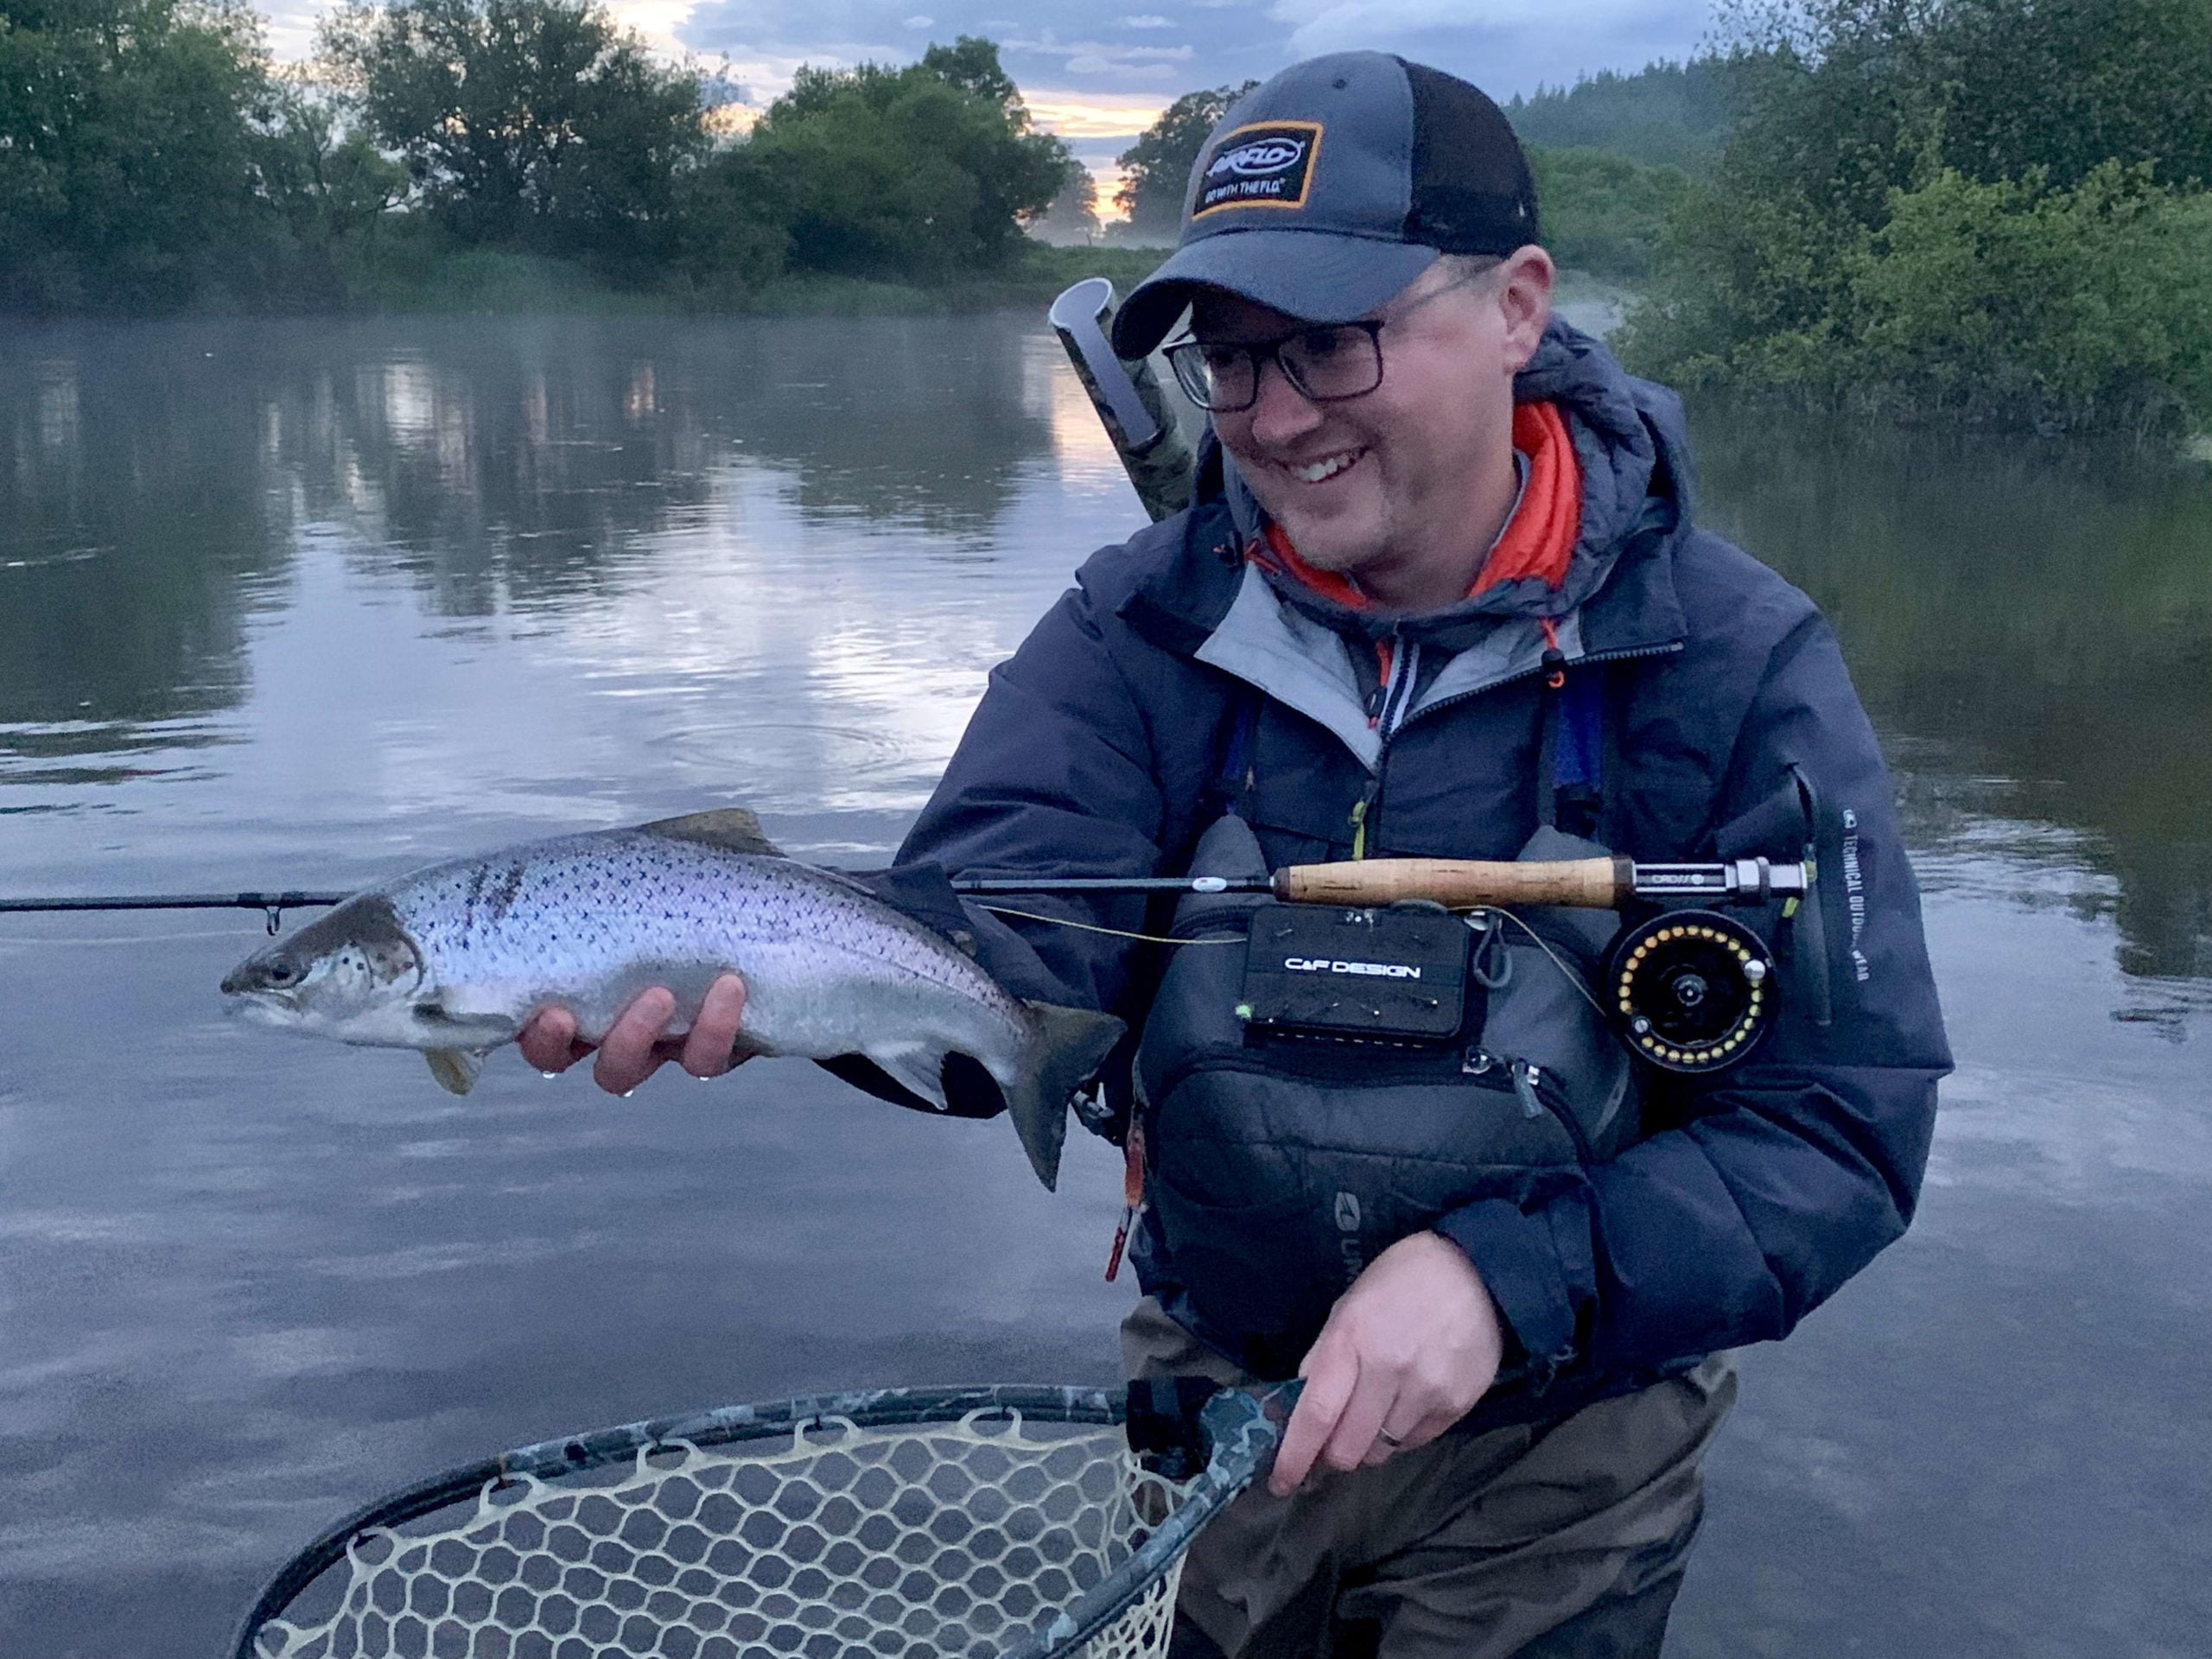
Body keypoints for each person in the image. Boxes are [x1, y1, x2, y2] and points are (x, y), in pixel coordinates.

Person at [522, 50, 1950, 1658]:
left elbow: (1841, 1127)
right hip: (1219, 1417)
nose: (1273, 420)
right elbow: (997, 954)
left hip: (1568, 1449)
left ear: (1519, 308)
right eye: (1230, 360)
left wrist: (1505, 1280)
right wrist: (759, 975)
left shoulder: (1735, 665)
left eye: (1332, 345)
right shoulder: (1132, 631)